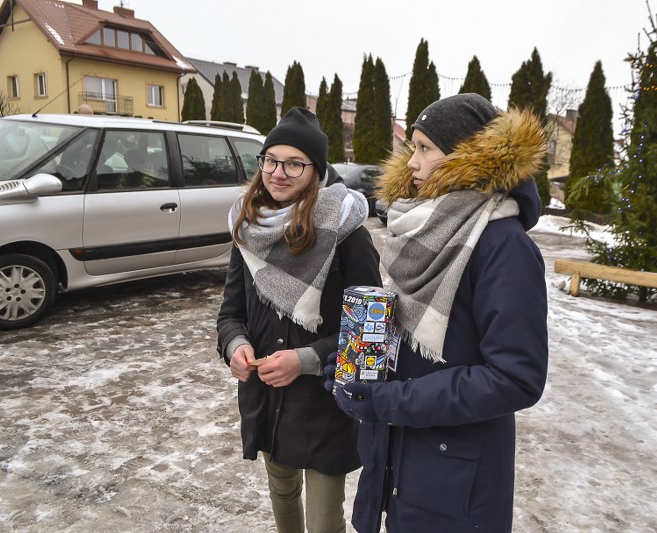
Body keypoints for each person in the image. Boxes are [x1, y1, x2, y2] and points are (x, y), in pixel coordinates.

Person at [330, 94, 549, 532]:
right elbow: (412, 342)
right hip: (403, 460)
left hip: (456, 481)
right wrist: (356, 368)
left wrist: (390, 401)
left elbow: (515, 378)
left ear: (466, 156)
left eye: (425, 148)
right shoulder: (423, 231)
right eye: (413, 147)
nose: (411, 162)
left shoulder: (503, 247)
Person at [217, 107, 381, 533]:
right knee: (283, 496)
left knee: (324, 522)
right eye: (271, 160)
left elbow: (371, 334)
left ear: (316, 171)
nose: (278, 172)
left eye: (294, 163)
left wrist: (305, 359)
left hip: (324, 404)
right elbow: (231, 313)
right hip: (267, 397)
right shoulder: (248, 227)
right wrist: (236, 346)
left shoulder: (348, 235)